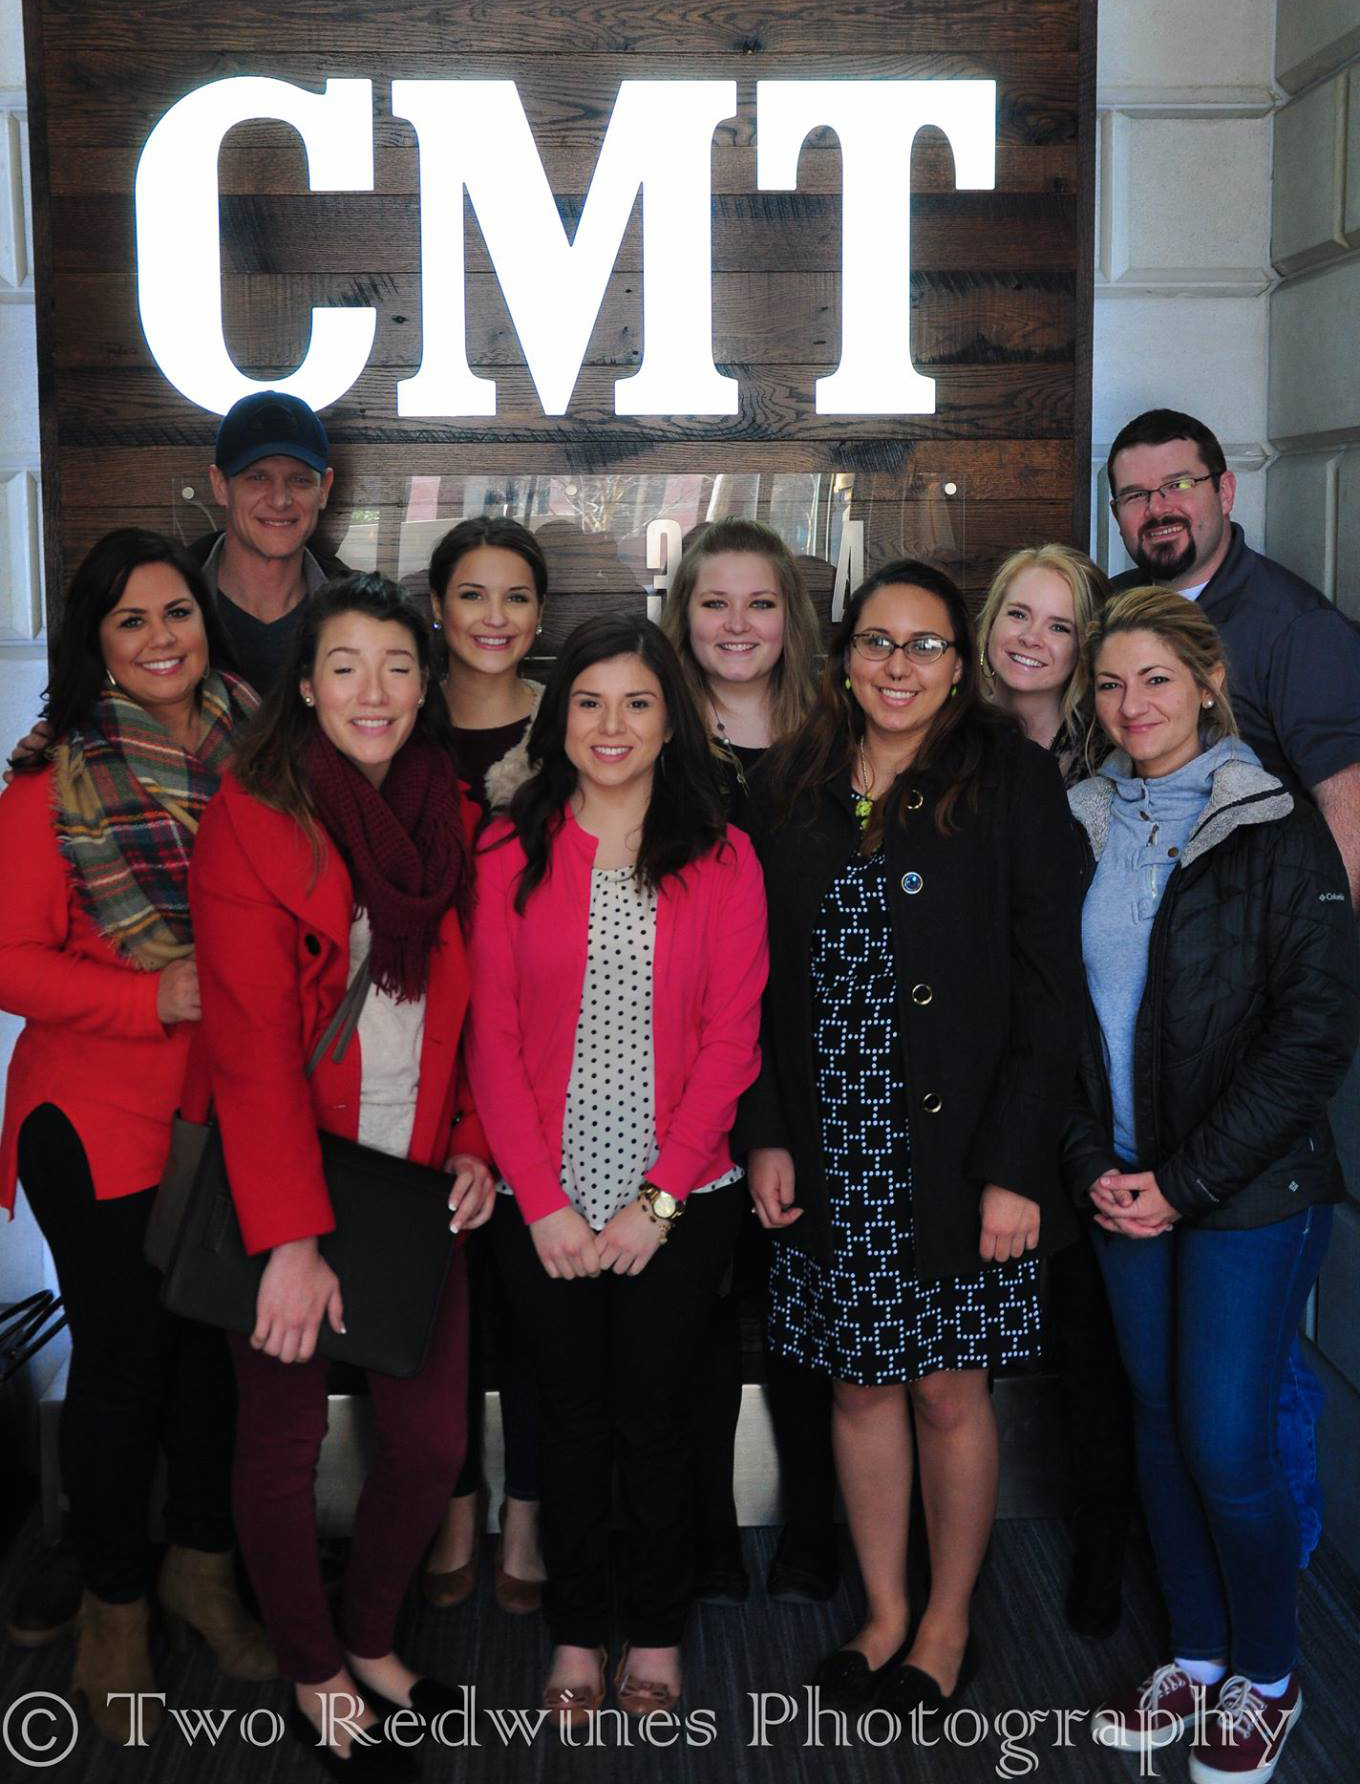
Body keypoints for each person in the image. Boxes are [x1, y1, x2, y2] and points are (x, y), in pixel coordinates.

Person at [736, 560, 1084, 1715]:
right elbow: (748, 981)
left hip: (960, 1151)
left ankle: (946, 1620)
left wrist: (1016, 1168)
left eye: (925, 644)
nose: (898, 665)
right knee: (857, 1385)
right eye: (876, 642)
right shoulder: (786, 782)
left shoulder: (1010, 778)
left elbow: (1050, 988)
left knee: (944, 1388)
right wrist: (765, 1131)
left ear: (958, 661)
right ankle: (884, 1609)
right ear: (843, 656)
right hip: (831, 1142)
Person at [188, 574, 495, 1776]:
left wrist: (471, 1137)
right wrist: (291, 1240)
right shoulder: (251, 816)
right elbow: (250, 1045)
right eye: (346, 666)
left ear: (425, 686)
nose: (375, 690)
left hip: (414, 1182)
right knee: (279, 1444)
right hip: (292, 1185)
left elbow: (477, 1011)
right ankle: (314, 1668)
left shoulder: (451, 811)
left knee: (428, 1443)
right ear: (306, 687)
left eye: (397, 666)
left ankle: (369, 1635)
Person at [1066, 588, 1358, 1784]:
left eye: (1154, 678)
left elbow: (1311, 1033)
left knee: (1226, 1440)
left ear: (1205, 682)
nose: (1130, 704)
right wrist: (1094, 1163)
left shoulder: (1275, 823)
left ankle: (1269, 1673)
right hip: (1119, 1186)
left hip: (1249, 1191)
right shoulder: (1080, 818)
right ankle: (1194, 1654)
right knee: (1155, 1425)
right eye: (1108, 684)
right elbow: (1050, 1019)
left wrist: (1181, 1181)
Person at [464, 615, 767, 1723]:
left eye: (638, 703)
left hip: (678, 1199)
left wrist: (658, 1201)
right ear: (557, 721)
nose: (611, 725)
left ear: (671, 722)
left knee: (656, 1418)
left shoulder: (724, 857)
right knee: (566, 1417)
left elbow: (733, 1041)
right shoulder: (507, 852)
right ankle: (577, 1632)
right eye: (588, 701)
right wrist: (543, 1203)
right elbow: (491, 1039)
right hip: (538, 1197)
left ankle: (657, 1629)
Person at [0, 529, 270, 1745]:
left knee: (216, 1360)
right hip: (98, 1120)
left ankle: (200, 1574)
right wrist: (152, 995)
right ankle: (112, 1610)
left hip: (230, 1110)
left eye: (177, 612)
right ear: (94, 642)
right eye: (131, 619)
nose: (162, 638)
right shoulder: (49, 783)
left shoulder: (261, 747)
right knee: (124, 1367)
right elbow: (8, 960)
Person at [1106, 406, 1360, 1565]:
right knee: (1179, 1392)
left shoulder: (1296, 629)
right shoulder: (1122, 616)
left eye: (1178, 484)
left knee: (1247, 1390)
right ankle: (1206, 1616)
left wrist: (1276, 1014)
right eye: (1134, 492)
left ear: (1224, 490)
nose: (1157, 508)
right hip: (1146, 1072)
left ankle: (1280, 1602)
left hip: (1247, 1059)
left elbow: (1345, 838)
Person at [660, 517, 835, 1605]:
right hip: (685, 1075)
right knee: (694, 1320)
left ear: (791, 617)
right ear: (681, 613)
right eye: (714, 602)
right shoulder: (653, 732)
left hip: (813, 1071)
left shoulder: (840, 733)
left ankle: (815, 1527)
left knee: (807, 1307)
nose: (737, 624)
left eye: (760, 602)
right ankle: (706, 1536)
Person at [977, 543, 1136, 1640]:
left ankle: (1102, 1550)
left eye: (1060, 624)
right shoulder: (942, 740)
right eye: (1016, 615)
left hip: (1084, 1089)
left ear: (1086, 648)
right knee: (958, 1341)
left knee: (1090, 1339)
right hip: (970, 1080)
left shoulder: (1115, 759)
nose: (1031, 640)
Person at [422, 515, 549, 1614]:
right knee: (437, 1298)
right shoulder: (391, 714)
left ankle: (531, 1513)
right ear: (437, 608)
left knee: (535, 1298)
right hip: (413, 1054)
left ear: (541, 614)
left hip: (543, 1056)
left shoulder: (576, 725)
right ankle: (454, 1503)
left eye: (515, 595)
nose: (494, 617)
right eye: (472, 593)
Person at [190, 389, 348, 693]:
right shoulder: (168, 600)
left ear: (324, 489)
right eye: (257, 477)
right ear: (220, 485)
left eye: (299, 479)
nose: (279, 500)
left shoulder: (360, 608)